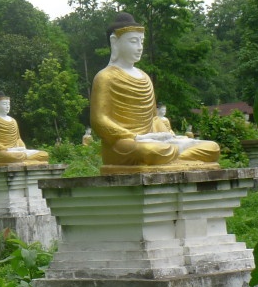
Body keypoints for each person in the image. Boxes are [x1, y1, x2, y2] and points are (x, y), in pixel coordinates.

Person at [91, 12, 219, 170]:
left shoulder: (144, 77)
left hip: (154, 140)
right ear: (114, 42)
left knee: (212, 147)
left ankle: (174, 157)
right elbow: (99, 121)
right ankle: (178, 156)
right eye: (133, 41)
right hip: (123, 144)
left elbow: (153, 118)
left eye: (141, 42)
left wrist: (166, 135)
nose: (139, 47)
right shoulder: (105, 77)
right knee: (150, 150)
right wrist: (135, 136)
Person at [0, 92, 50, 165]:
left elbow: (18, 139)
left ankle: (25, 161)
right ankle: (29, 161)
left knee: (44, 154)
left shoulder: (13, 121)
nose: (7, 106)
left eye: (8, 104)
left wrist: (22, 148)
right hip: (2, 152)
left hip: (16, 151)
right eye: (4, 104)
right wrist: (5, 148)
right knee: (13, 156)